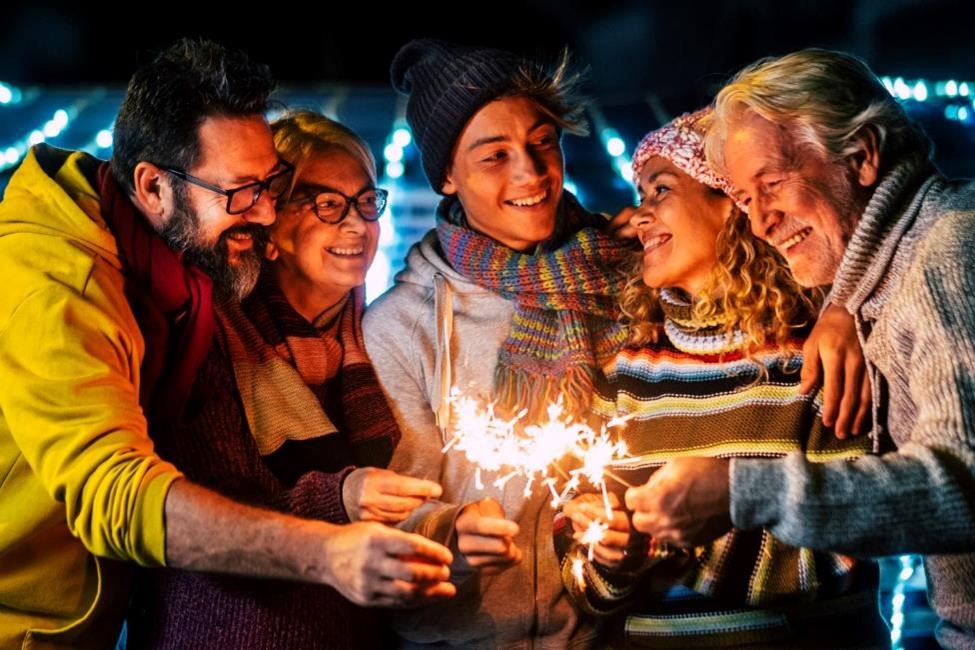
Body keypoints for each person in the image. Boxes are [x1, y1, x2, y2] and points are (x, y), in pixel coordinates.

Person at [0, 40, 452, 649]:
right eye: (241, 192)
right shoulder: (60, 288)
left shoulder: (176, 271)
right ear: (154, 186)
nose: (266, 215)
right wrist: (326, 554)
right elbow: (116, 494)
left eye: (269, 186)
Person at [628, 48, 975, 648]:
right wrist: (844, 305)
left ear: (862, 156)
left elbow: (965, 486)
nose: (760, 222)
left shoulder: (948, 249)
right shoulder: (881, 281)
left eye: (773, 183)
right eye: (743, 198)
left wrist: (744, 492)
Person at [555, 109, 887, 648]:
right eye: (639, 195)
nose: (639, 217)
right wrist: (611, 558)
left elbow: (848, 539)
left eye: (660, 190)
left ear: (730, 205)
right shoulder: (625, 374)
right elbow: (581, 577)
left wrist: (666, 549)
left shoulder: (816, 355)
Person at [126, 110, 444, 648]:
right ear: (269, 226)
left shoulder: (377, 330)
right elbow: (212, 513)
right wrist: (340, 497)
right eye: (325, 203)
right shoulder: (213, 334)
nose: (356, 224)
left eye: (366, 202)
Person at [362, 38, 634, 647]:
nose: (530, 173)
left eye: (542, 142)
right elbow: (381, 517)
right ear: (448, 178)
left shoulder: (623, 278)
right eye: (494, 156)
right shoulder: (403, 327)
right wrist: (451, 533)